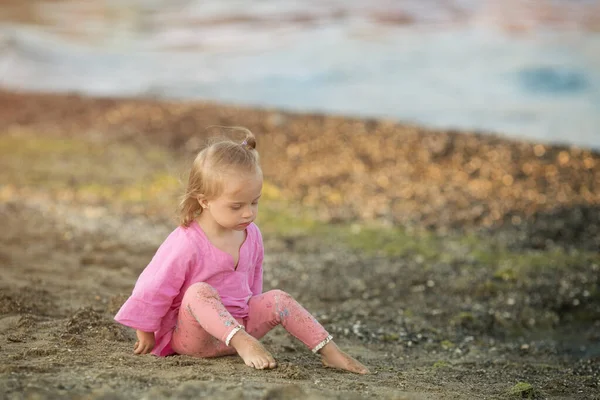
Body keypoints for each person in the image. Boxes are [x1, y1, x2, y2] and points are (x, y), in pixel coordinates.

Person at [114, 128, 369, 374]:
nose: (248, 213)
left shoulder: (252, 233)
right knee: (198, 292)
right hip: (195, 337)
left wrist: (256, 310)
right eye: (236, 206)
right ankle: (243, 343)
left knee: (279, 297)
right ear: (204, 200)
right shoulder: (187, 241)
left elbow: (253, 283)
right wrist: (145, 329)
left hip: (242, 324)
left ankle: (330, 351)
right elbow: (156, 283)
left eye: (254, 202)